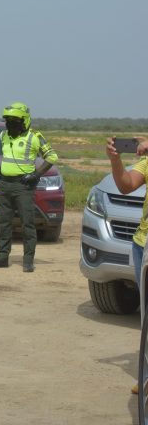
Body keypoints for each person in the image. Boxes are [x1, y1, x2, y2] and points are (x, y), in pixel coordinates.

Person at [0, 102, 58, 272]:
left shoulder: (35, 137)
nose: (10, 124)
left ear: (24, 120)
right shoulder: (4, 136)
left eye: (14, 120)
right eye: (8, 120)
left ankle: (28, 260)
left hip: (23, 186)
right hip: (4, 185)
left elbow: (52, 156)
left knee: (27, 224)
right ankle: (2, 257)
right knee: (4, 223)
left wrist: (36, 175)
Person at [107, 136, 148, 396]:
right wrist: (116, 161)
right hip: (142, 245)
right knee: (146, 320)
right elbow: (126, 185)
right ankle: (146, 377)